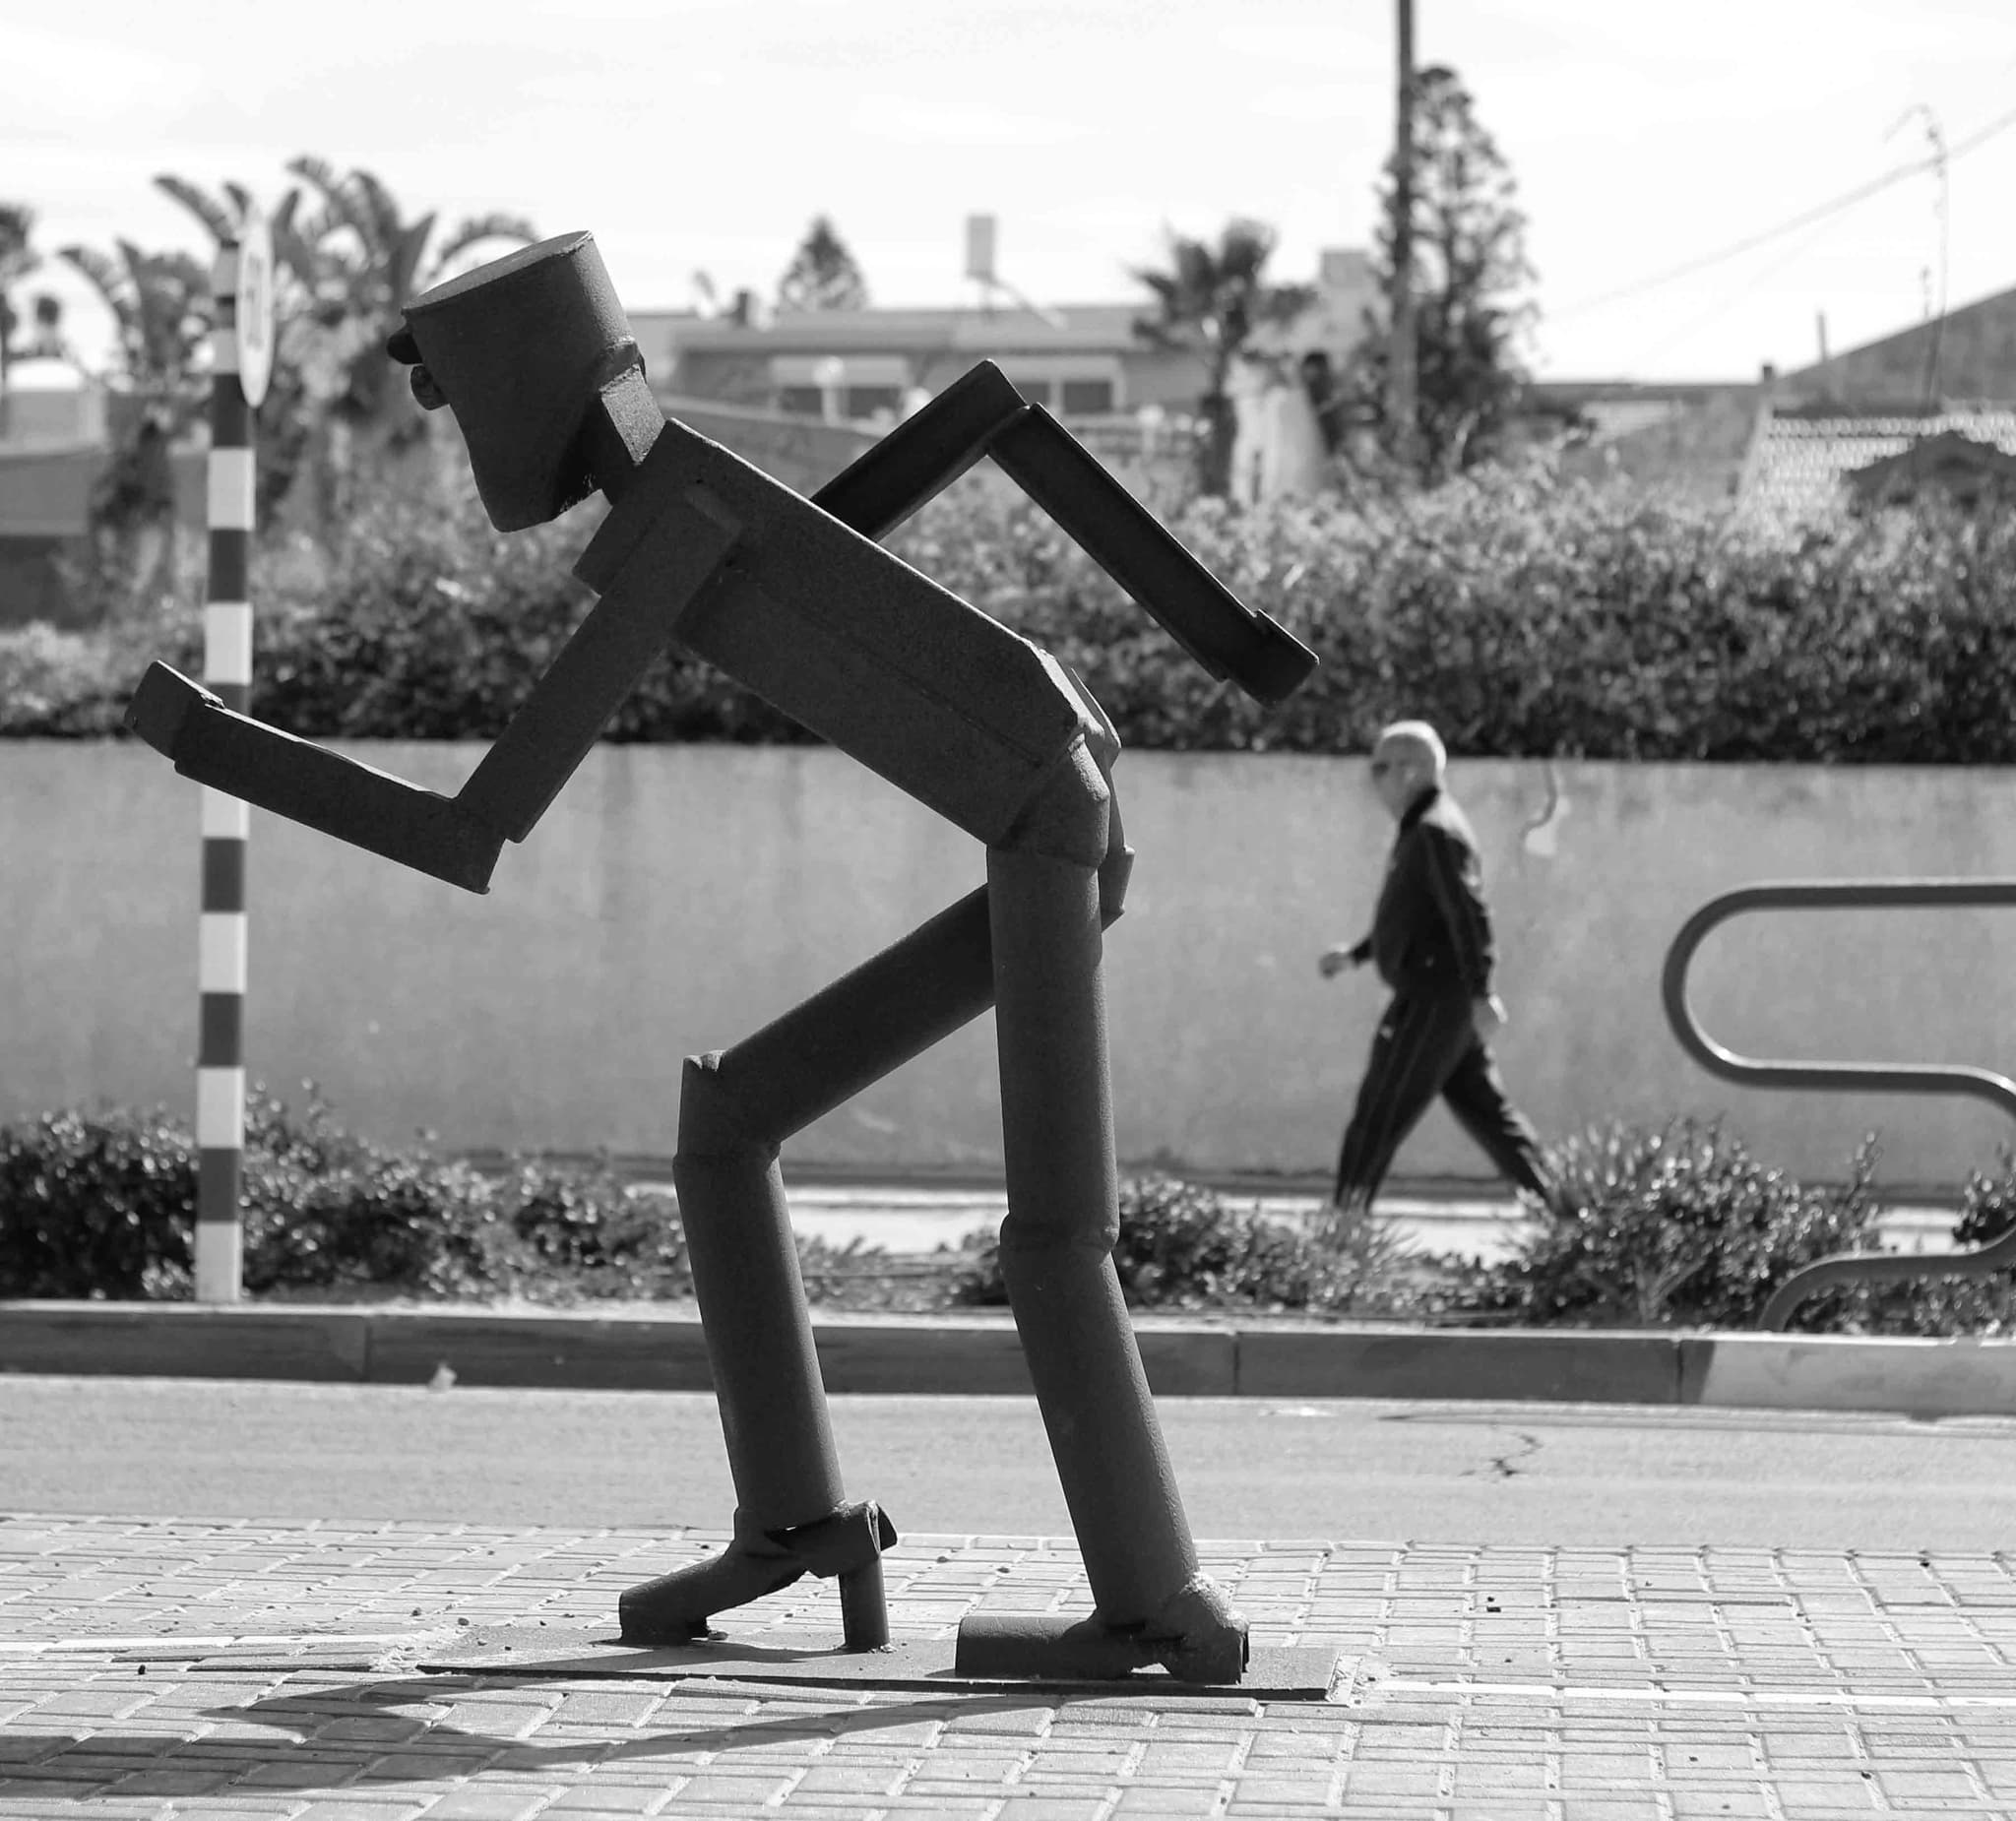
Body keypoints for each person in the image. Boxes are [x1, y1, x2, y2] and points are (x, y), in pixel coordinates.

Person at [1318, 720, 1557, 1220]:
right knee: (1490, 1116)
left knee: (1379, 1112)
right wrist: (1357, 955)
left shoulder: (1433, 831)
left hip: (1432, 999)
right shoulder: (1425, 827)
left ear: (1410, 771)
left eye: (1380, 769)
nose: (1375, 781)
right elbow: (1415, 917)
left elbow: (1467, 913)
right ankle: (1568, 1212)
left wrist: (1481, 993)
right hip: (1440, 997)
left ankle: (1343, 1228)